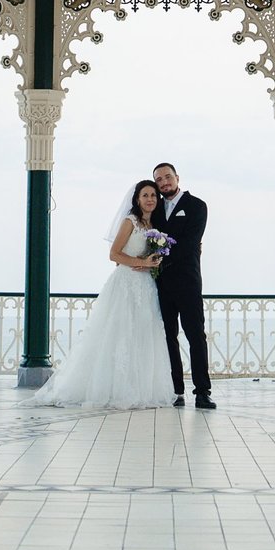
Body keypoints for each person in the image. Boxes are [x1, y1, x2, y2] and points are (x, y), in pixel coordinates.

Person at [29, 180, 175, 409]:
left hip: (145, 285)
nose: (150, 199)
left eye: (153, 196)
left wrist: (153, 263)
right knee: (120, 334)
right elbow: (114, 254)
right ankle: (111, 389)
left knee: (143, 334)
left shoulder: (153, 226)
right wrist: (141, 262)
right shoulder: (131, 222)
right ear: (137, 199)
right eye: (145, 195)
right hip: (126, 284)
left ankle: (140, 389)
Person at [152, 162, 213, 409]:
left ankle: (202, 391)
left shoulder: (196, 206)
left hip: (187, 282)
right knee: (168, 336)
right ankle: (176, 390)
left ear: (177, 177)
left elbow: (190, 243)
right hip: (160, 283)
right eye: (159, 180)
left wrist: (159, 259)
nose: (164, 182)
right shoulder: (154, 209)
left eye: (168, 177)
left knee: (195, 335)